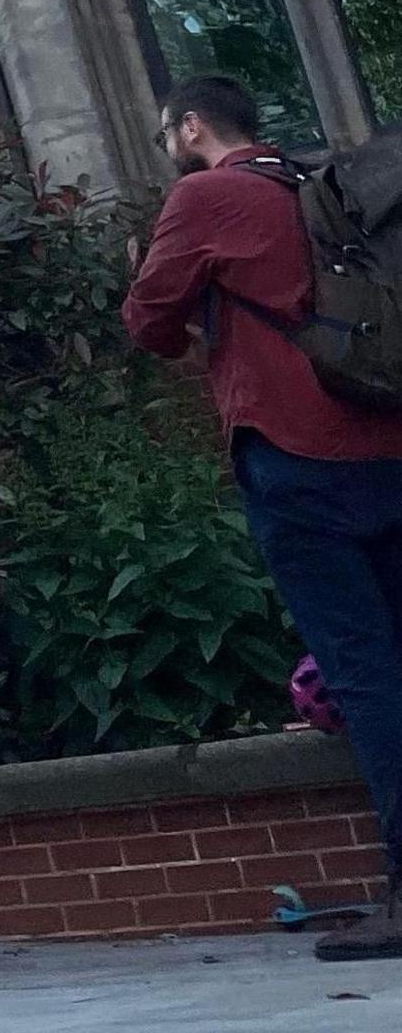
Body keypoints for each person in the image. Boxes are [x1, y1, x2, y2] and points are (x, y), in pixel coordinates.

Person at [126, 74, 402, 962]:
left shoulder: (203, 195)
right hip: (389, 441)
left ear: (192, 126)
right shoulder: (317, 181)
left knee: (365, 671)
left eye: (169, 129)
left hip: (296, 454)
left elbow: (146, 320)